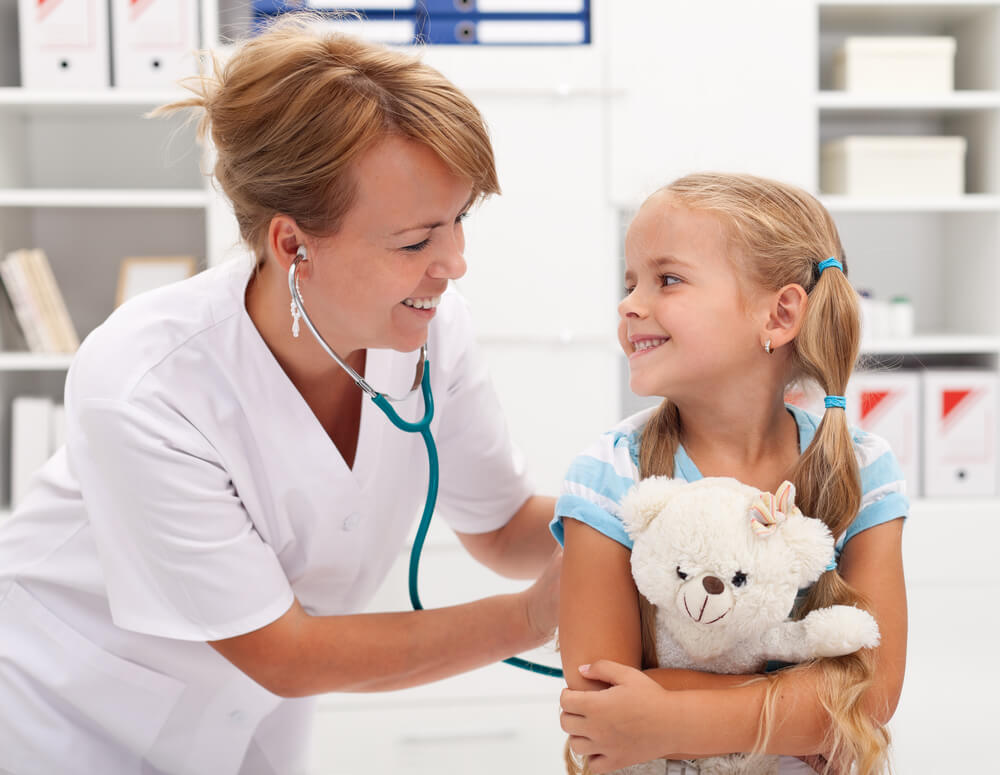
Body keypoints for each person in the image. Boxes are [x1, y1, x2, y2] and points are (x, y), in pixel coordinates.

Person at [0, 16, 561, 775]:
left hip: (244, 726)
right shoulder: (143, 380)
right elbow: (284, 653)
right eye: (416, 240)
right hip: (60, 715)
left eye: (458, 221)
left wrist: (636, 520)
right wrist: (534, 615)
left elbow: (502, 529)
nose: (454, 263)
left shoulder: (428, 329)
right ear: (293, 244)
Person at [554, 173, 907, 775]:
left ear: (780, 314)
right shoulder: (608, 475)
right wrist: (806, 701)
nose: (629, 303)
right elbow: (603, 711)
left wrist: (671, 716)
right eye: (630, 281)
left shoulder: (863, 469)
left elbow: (871, 696)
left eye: (667, 279)